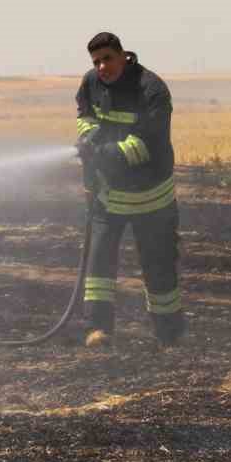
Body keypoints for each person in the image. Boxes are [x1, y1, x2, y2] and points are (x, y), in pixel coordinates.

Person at [73, 32, 185, 347]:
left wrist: (103, 154)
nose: (102, 67)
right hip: (109, 196)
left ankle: (169, 333)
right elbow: (85, 117)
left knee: (158, 267)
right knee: (99, 265)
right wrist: (90, 139)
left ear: (124, 55)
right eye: (96, 62)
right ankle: (98, 329)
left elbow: (146, 145)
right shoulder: (90, 83)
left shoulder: (152, 89)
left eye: (107, 58)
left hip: (151, 197)